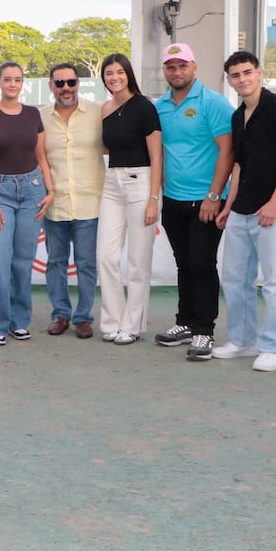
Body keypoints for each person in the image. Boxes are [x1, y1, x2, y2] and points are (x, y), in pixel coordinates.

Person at [212, 51, 276, 372]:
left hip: (273, 210)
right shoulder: (238, 116)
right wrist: (229, 204)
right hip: (241, 209)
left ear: (259, 72)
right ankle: (242, 340)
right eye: (235, 75)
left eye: (247, 72)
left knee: (275, 282)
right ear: (229, 80)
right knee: (235, 279)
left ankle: (273, 347)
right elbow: (239, 164)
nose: (243, 79)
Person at [152, 43, 234, 361]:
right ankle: (184, 323)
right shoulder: (159, 106)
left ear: (194, 67)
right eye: (171, 67)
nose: (177, 72)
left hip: (206, 200)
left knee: (202, 264)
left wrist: (214, 195)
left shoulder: (213, 103)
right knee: (184, 264)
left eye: (182, 65)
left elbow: (227, 152)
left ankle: (204, 331)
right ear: (165, 71)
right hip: (173, 200)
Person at [0, 61, 54, 346]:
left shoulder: (33, 114)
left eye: (17, 79)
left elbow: (41, 156)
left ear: (23, 83)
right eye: (7, 79)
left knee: (22, 262)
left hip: (32, 192)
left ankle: (19, 322)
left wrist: (50, 189)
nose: (12, 84)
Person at [95, 53, 162, 345]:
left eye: (119, 72)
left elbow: (157, 155)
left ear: (128, 74)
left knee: (138, 260)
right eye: (109, 73)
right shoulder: (105, 108)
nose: (114, 77)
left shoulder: (145, 107)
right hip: (112, 182)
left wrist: (152, 198)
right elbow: (107, 148)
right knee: (106, 256)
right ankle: (111, 321)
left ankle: (132, 324)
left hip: (141, 181)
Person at [39, 63, 104, 340]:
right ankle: (61, 314)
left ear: (79, 83)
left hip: (90, 201)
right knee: (56, 262)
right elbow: (38, 157)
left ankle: (84, 317)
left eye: (71, 82)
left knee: (87, 263)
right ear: (51, 86)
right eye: (60, 83)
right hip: (55, 203)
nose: (66, 88)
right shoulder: (39, 117)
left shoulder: (98, 113)